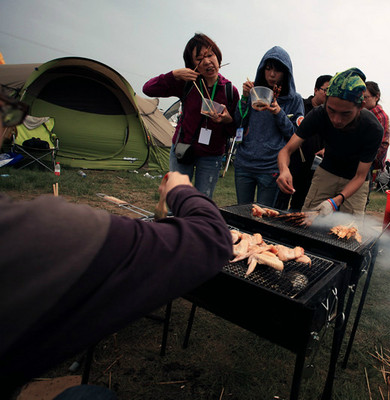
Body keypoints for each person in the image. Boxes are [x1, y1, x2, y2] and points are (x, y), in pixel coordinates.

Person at [0, 86, 233, 397]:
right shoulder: (34, 230)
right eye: (6, 112)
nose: (10, 129)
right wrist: (179, 190)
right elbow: (212, 237)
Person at [143, 33, 240, 198]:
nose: (207, 61)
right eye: (199, 59)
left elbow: (234, 129)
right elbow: (148, 89)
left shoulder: (230, 90)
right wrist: (173, 75)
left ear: (218, 56)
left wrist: (227, 119)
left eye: (210, 55)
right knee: (177, 199)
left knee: (202, 202)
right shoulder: (187, 83)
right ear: (192, 64)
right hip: (183, 149)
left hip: (211, 155)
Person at [277, 68, 383, 216]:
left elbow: (360, 176)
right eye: (331, 110)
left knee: (349, 229)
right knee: (307, 218)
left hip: (355, 179)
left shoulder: (373, 128)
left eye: (346, 113)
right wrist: (284, 170)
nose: (336, 120)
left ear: (361, 106)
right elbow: (286, 150)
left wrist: (336, 201)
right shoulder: (318, 114)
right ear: (326, 100)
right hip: (327, 170)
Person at [234, 46, 304, 207]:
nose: (272, 74)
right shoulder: (255, 93)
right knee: (242, 213)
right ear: (262, 69)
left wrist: (279, 113)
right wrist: (244, 99)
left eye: (278, 70)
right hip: (245, 164)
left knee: (263, 217)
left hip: (271, 166)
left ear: (286, 72)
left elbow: (295, 135)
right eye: (268, 68)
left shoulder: (294, 100)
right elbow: (239, 122)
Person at [274, 74, 331, 211]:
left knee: (299, 204)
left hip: (312, 166)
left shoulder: (330, 114)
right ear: (316, 90)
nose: (328, 95)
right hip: (292, 160)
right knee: (281, 200)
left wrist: (325, 149)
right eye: (326, 90)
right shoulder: (300, 105)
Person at [364, 81, 390, 171]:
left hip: (366, 162)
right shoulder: (360, 112)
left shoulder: (380, 117)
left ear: (377, 96)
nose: (363, 100)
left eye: (366, 97)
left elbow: (382, 145)